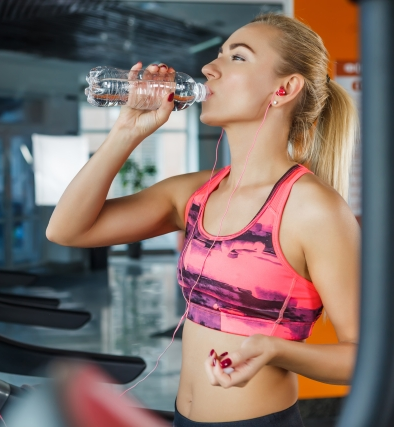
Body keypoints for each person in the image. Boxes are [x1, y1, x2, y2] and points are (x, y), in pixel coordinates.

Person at [46, 12, 359, 427]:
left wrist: (276, 350)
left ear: (283, 89)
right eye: (218, 55)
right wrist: (128, 130)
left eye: (238, 57)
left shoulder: (312, 209)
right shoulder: (195, 193)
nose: (210, 68)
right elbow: (66, 229)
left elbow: (366, 357)